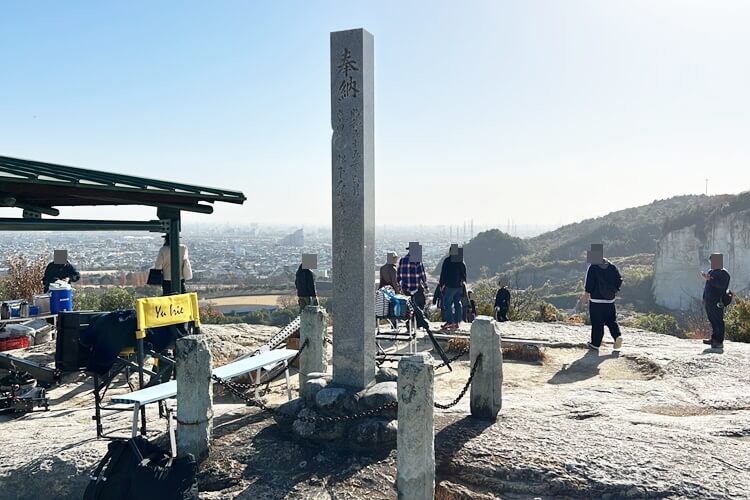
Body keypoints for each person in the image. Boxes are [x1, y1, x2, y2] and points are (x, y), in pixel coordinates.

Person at [583, 246, 623, 351]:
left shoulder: (593, 267)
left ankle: (595, 344)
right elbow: (619, 279)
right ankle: (617, 336)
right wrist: (613, 291)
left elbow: (589, 284)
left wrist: (586, 297)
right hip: (610, 300)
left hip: (596, 301)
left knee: (597, 322)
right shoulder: (612, 267)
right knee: (611, 320)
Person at [701, 253, 731, 350]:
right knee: (713, 320)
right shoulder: (712, 271)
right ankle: (713, 339)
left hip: (718, 301)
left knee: (718, 321)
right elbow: (707, 287)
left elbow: (721, 286)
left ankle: (719, 342)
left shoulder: (724, 273)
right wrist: (704, 297)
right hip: (709, 300)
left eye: (712, 261)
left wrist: (710, 279)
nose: (711, 263)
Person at [438, 245, 467, 330]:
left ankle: (450, 322)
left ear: (450, 252)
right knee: (458, 303)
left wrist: (441, 284)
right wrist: (462, 282)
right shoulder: (461, 261)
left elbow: (443, 273)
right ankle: (457, 322)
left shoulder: (447, 260)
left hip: (450, 286)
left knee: (447, 304)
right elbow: (464, 274)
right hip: (459, 286)